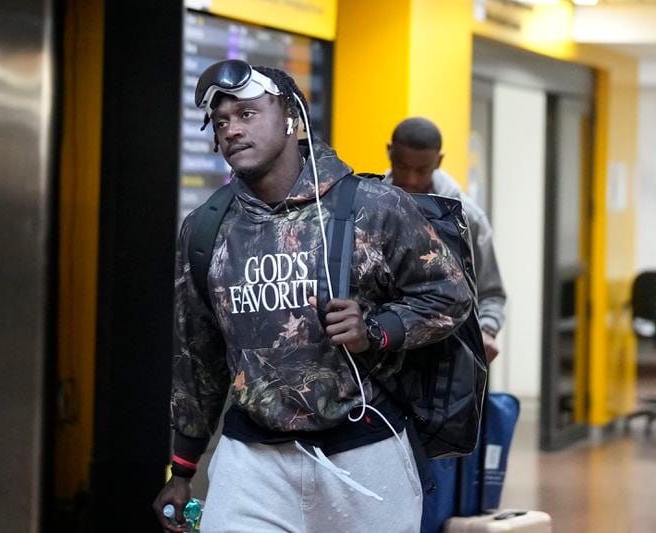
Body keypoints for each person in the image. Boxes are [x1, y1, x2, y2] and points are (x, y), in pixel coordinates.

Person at [153, 60, 473, 533]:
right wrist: (182, 469)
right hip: (252, 463)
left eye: (246, 114)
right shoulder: (207, 229)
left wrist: (377, 331)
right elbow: (196, 355)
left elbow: (450, 296)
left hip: (365, 453)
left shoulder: (374, 206)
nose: (231, 131)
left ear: (290, 117)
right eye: (221, 122)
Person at [385, 117, 506, 364]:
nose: (411, 179)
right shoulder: (367, 209)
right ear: (389, 152)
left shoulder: (466, 216)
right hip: (381, 356)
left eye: (422, 170)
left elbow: (491, 292)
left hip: (449, 361)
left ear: (439, 162)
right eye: (402, 166)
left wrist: (486, 331)